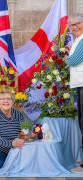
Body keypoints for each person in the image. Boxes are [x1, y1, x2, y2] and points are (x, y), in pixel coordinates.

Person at [66, 14, 83, 172]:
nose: (74, 27)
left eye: (77, 23)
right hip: (79, 84)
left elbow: (73, 61)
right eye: (72, 25)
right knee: (81, 122)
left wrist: (67, 56)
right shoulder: (78, 40)